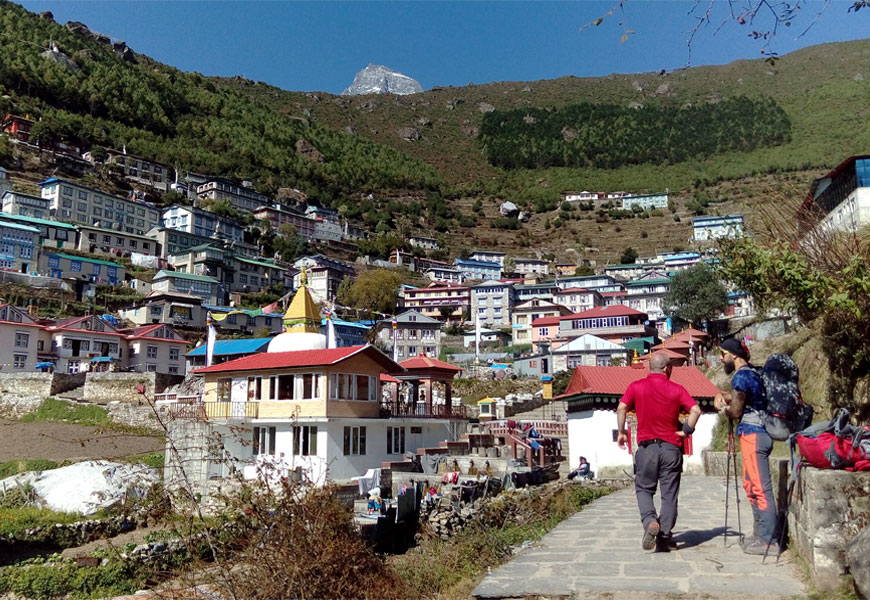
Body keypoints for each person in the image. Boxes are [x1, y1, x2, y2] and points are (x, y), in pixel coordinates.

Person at [617, 352, 701, 552]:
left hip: (647, 449)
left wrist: (621, 432)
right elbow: (696, 410)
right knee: (669, 495)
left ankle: (649, 522)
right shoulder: (677, 389)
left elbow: (621, 408)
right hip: (671, 448)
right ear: (666, 368)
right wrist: (686, 431)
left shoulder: (636, 387)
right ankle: (663, 536)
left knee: (644, 489)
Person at [714, 338, 777, 556]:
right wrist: (723, 396)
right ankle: (759, 536)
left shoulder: (741, 376)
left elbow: (738, 410)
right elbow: (746, 398)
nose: (721, 358)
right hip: (758, 434)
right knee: (751, 487)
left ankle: (769, 540)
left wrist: (725, 410)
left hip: (753, 435)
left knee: (759, 488)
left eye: (723, 354)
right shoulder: (753, 373)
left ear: (734, 355)